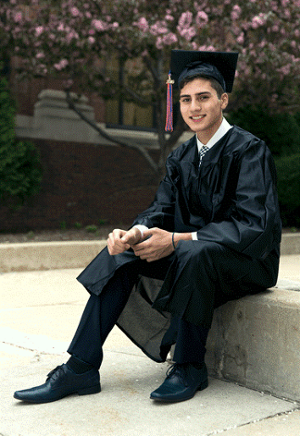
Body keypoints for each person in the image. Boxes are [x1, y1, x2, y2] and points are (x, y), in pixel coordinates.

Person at [14, 50, 281, 404]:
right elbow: (161, 209)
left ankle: (189, 366)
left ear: (223, 100)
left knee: (193, 251)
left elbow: (253, 226)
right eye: (185, 99)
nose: (193, 107)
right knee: (121, 254)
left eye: (203, 97)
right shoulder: (182, 157)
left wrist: (177, 239)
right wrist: (135, 233)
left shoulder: (249, 150)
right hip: (192, 254)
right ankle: (80, 367)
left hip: (246, 261)